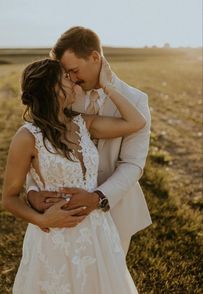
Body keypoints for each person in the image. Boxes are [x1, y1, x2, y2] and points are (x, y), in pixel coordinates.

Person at [2, 57, 146, 293]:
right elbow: (9, 197)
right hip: (54, 239)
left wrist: (108, 86)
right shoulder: (27, 137)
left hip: (97, 231)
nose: (74, 82)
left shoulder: (83, 124)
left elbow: (136, 121)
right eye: (66, 78)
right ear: (52, 89)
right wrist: (42, 220)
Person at [27, 26, 152, 256]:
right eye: (67, 73)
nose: (72, 79)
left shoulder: (135, 101)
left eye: (74, 70)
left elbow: (133, 164)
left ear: (95, 57)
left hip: (114, 209)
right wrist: (33, 192)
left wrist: (98, 198)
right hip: (63, 214)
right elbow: (39, 147)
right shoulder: (66, 94)